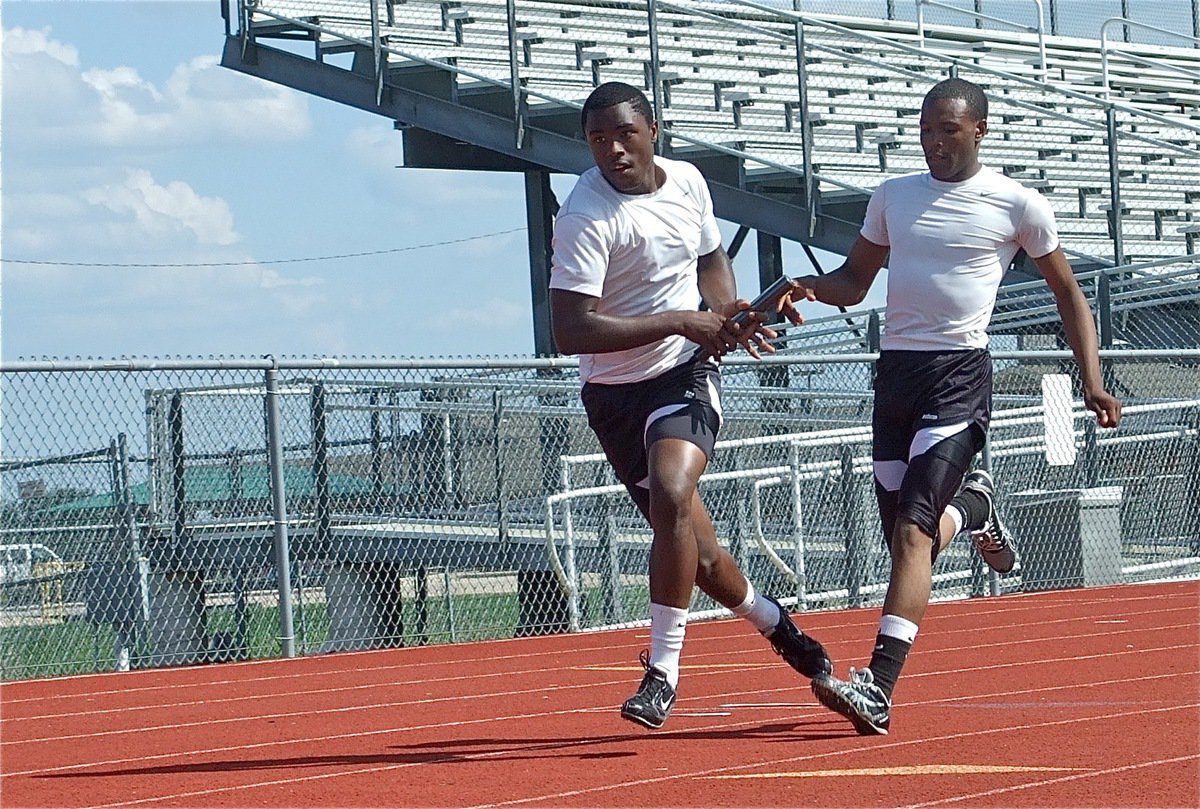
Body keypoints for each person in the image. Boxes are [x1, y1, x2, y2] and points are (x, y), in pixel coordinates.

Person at [788, 77, 1123, 736]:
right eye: (926, 129)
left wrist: (1093, 379)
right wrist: (800, 287)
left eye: (948, 129)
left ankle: (877, 688)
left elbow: (1068, 295)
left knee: (913, 531)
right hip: (896, 378)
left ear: (980, 131)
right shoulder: (893, 197)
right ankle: (975, 506)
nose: (935, 141)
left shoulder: (1018, 205)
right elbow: (855, 282)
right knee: (905, 540)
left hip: (958, 375)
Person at [548, 81, 833, 730]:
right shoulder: (586, 216)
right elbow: (572, 331)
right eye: (598, 140)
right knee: (699, 557)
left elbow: (710, 260)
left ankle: (662, 673)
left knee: (674, 491)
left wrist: (725, 308)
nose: (613, 150)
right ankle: (779, 625)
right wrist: (682, 318)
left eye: (624, 134)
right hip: (614, 394)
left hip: (684, 372)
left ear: (653, 129)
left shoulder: (689, 183)